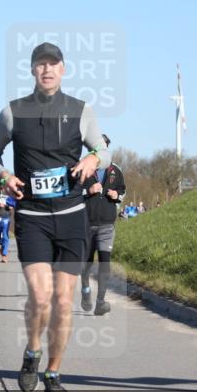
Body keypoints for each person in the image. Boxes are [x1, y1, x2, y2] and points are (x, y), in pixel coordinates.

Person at [0, 42, 110, 392]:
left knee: (63, 301)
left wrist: (93, 160)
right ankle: (32, 351)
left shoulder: (81, 110)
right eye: (40, 64)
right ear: (33, 70)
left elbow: (103, 149)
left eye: (53, 64)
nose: (47, 70)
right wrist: (5, 176)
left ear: (63, 69)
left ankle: (53, 372)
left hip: (71, 217)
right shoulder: (12, 112)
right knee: (40, 298)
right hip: (33, 216)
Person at [80, 134, 125, 316]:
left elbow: (123, 191)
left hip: (107, 224)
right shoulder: (82, 169)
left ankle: (100, 301)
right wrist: (87, 191)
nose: (100, 151)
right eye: (96, 147)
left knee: (105, 262)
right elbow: (71, 194)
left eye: (103, 147)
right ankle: (85, 292)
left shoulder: (115, 171)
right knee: (86, 264)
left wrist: (117, 196)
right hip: (86, 224)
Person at [0, 186, 16, 263]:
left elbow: (13, 204)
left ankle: (4, 255)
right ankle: (0, 247)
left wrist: (7, 206)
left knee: (5, 236)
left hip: (6, 218)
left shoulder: (9, 193)